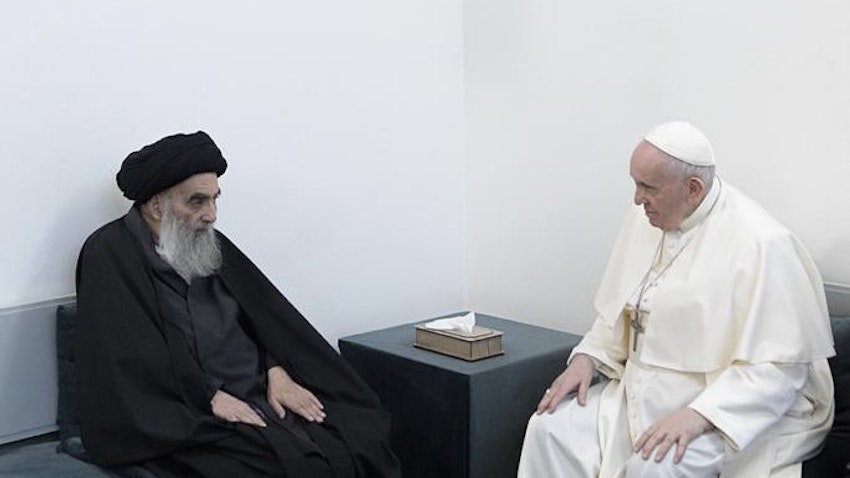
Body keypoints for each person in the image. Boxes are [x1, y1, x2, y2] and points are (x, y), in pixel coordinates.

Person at [75, 131, 402, 478]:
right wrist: (210, 398)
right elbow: (127, 363)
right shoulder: (109, 253)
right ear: (156, 205)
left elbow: (264, 319)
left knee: (360, 428)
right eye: (197, 202)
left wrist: (277, 371)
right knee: (289, 466)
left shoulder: (208, 244)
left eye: (215, 200)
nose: (211, 215)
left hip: (260, 389)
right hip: (189, 414)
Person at [517, 121, 835, 477]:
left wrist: (700, 415)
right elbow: (624, 312)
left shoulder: (763, 244)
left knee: (655, 467)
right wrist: (587, 359)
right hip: (642, 391)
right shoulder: (647, 217)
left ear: (693, 189)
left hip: (731, 407)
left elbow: (779, 370)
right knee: (550, 430)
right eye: (635, 184)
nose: (637, 199)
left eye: (647, 187)